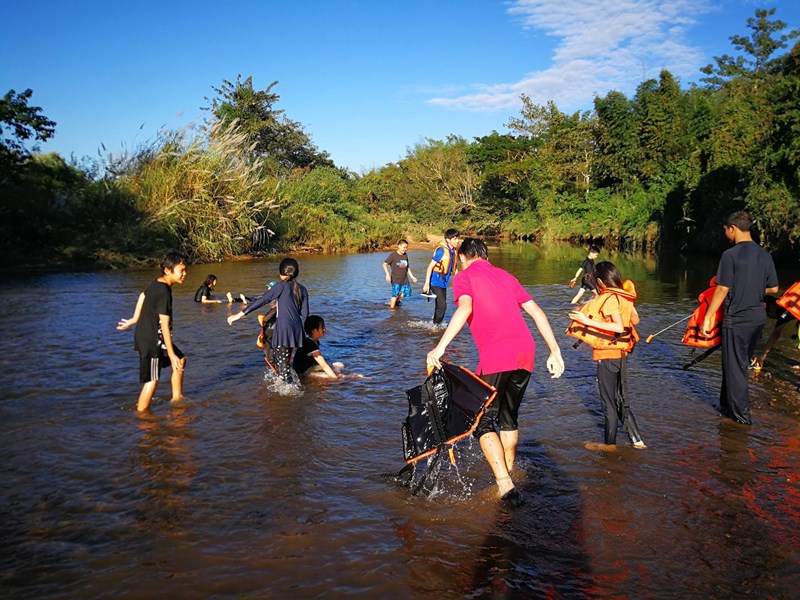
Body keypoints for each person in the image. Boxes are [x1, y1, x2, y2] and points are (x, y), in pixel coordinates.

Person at [426, 238, 565, 506]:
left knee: (482, 421)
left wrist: (440, 347)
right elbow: (536, 312)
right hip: (526, 352)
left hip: (496, 355)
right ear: (486, 255)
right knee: (509, 417)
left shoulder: (465, 277)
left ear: (465, 256)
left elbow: (465, 308)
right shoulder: (506, 276)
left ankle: (504, 484)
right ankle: (510, 471)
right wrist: (555, 350)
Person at [701, 210, 779, 424]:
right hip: (757, 318)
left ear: (732, 229)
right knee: (735, 363)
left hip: (737, 318)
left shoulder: (730, 255)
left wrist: (707, 318)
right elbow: (773, 287)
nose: (725, 233)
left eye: (725, 230)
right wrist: (752, 284)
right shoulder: (765, 254)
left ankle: (741, 420)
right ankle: (726, 407)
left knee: (736, 369)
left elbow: (721, 290)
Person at [567, 261, 645, 451]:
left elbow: (618, 326)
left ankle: (609, 445)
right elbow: (635, 319)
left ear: (600, 281)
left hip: (608, 355)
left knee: (608, 402)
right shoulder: (623, 296)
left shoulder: (610, 298)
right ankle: (638, 441)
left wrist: (587, 321)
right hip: (620, 354)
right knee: (620, 398)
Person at [117, 252, 188, 412]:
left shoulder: (158, 283)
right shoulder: (164, 292)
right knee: (152, 379)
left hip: (151, 336)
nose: (185, 274)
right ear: (168, 271)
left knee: (181, 360)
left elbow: (143, 295)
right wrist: (170, 354)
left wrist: (135, 319)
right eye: (181, 270)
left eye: (185, 270)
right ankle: (142, 415)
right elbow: (164, 325)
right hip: (152, 340)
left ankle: (177, 398)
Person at [228, 258, 309, 383]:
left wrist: (238, 315)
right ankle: (293, 385)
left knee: (282, 366)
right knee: (287, 361)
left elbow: (262, 300)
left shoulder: (280, 286)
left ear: (281, 273)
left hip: (283, 330)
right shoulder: (303, 289)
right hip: (297, 330)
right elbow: (305, 314)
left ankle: (290, 391)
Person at [422, 229, 461, 326]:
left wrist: (460, 281)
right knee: (443, 305)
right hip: (435, 282)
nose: (457, 241)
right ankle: (436, 326)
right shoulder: (441, 251)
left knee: (440, 306)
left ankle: (436, 324)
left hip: (443, 283)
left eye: (458, 238)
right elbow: (430, 266)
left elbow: (454, 268)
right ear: (448, 240)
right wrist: (426, 283)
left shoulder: (453, 251)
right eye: (455, 239)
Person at [752, 294, 798, 368]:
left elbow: (775, 334)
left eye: (767, 314)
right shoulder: (784, 300)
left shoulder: (783, 312)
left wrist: (762, 356)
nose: (768, 317)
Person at [383, 239, 418, 309]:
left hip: (404, 279)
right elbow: (384, 264)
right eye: (404, 247)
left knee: (407, 292)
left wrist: (412, 276)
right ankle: (392, 309)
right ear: (399, 246)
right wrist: (387, 274)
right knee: (395, 294)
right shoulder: (393, 255)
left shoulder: (405, 255)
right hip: (396, 279)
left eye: (406, 247)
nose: (405, 249)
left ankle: (396, 301)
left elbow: (407, 267)